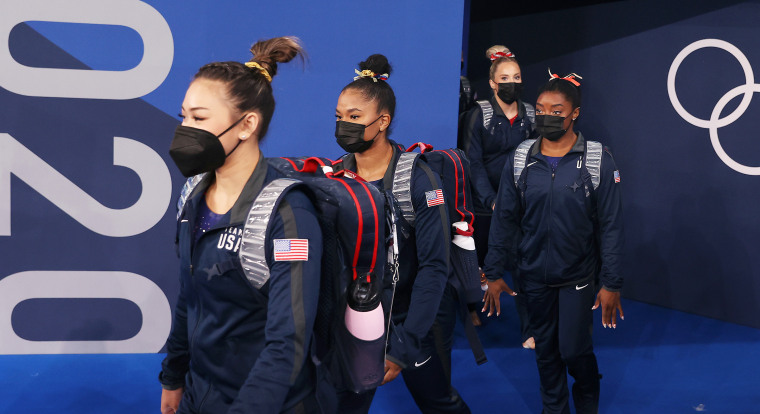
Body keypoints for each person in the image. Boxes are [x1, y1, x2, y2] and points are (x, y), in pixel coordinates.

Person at [158, 37, 324, 414]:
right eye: (184, 115)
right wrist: (174, 376)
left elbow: (288, 343)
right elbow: (190, 293)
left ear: (247, 124)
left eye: (199, 118)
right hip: (199, 393)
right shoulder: (192, 195)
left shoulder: (289, 214)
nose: (185, 128)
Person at [332, 54, 471, 414]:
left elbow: (434, 268)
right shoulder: (333, 178)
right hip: (357, 320)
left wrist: (404, 345)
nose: (343, 124)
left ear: (383, 122)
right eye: (339, 116)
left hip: (413, 321)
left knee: (440, 403)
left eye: (354, 117)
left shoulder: (420, 180)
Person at [482, 71, 625, 414]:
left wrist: (612, 282)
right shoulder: (521, 159)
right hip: (532, 275)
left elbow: (611, 226)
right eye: (542, 109)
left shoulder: (596, 160)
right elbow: (504, 218)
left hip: (577, 276)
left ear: (574, 113)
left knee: (573, 350)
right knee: (546, 352)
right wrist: (493, 270)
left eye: (557, 110)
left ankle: (587, 397)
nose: (547, 115)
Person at [463, 45, 535, 348]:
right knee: (476, 262)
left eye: (516, 77)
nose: (512, 82)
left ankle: (529, 330)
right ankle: (470, 309)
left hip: (521, 205)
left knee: (524, 264)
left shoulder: (531, 114)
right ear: (493, 83)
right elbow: (473, 162)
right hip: (484, 204)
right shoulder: (478, 113)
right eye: (505, 77)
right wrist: (491, 199)